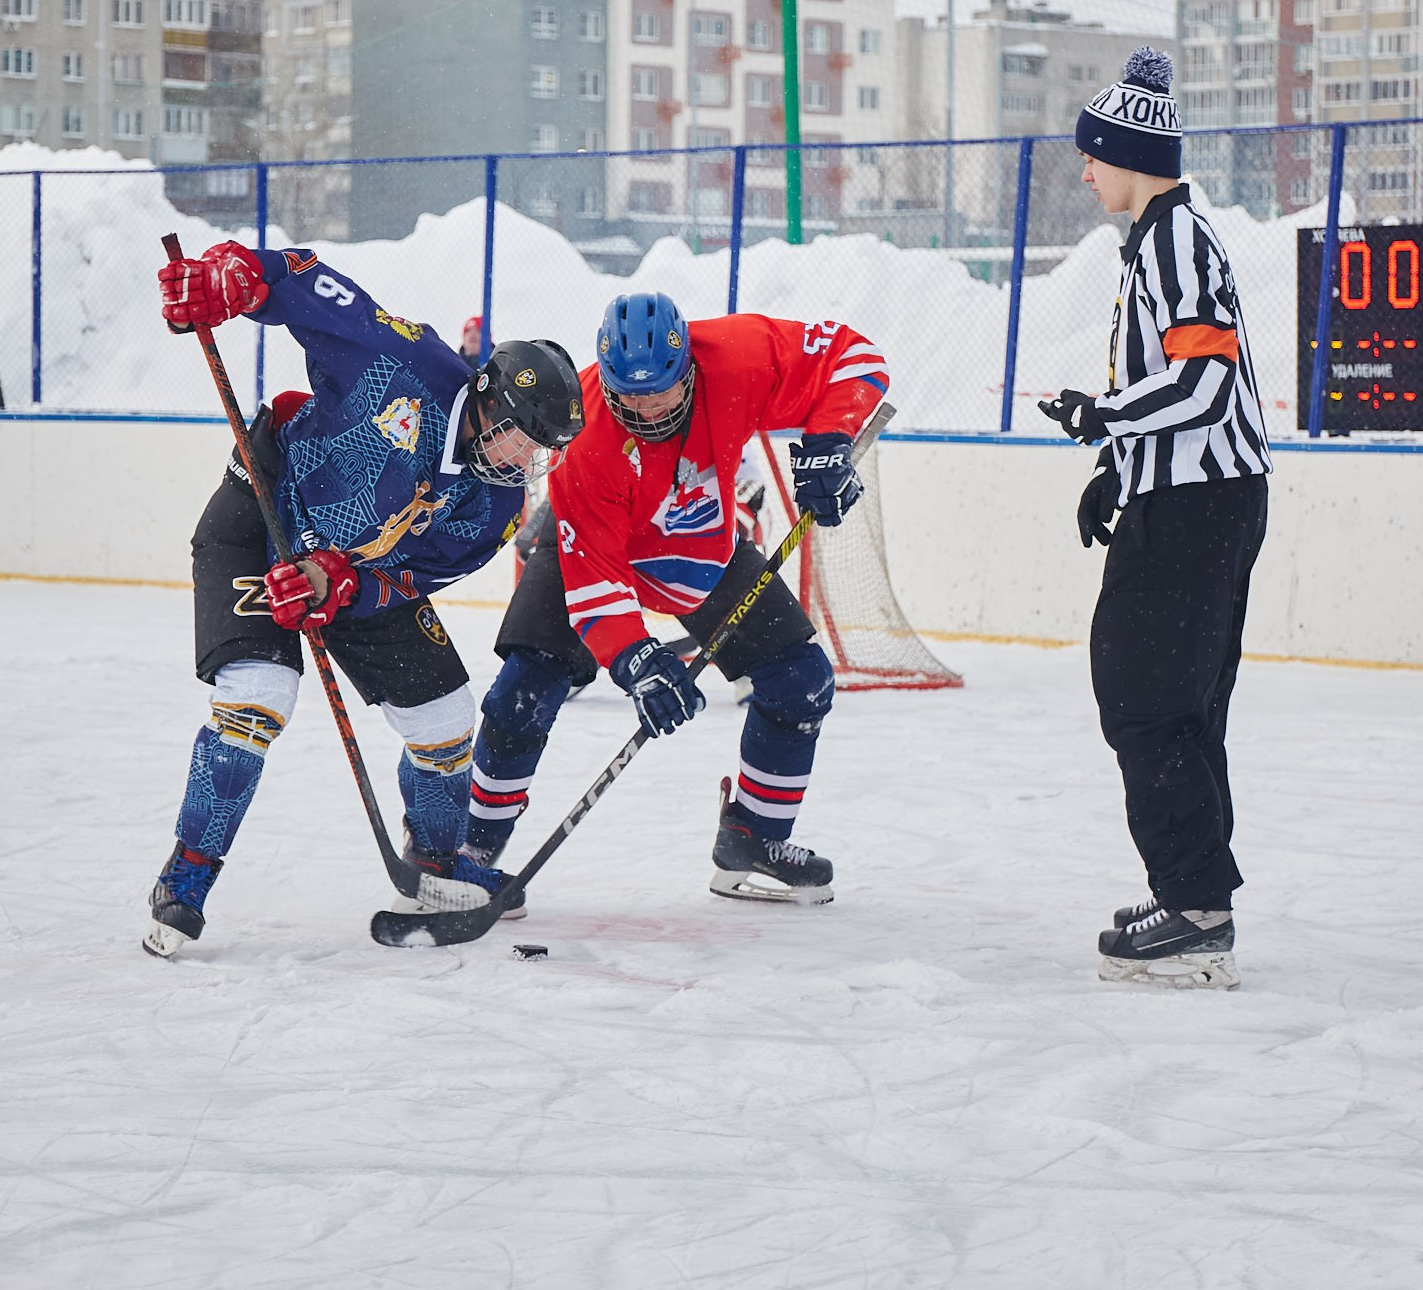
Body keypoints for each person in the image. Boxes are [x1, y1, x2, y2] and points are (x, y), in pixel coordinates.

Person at [143, 240, 585, 958]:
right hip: (262, 514)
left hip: (347, 573)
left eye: (541, 451)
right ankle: (186, 875)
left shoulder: (495, 506)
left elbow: (414, 577)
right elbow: (303, 281)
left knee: (445, 724)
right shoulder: (401, 366)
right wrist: (235, 276)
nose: (526, 463)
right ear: (489, 402)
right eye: (522, 442)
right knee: (258, 702)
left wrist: (340, 581)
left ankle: (434, 861)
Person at [464, 292, 887, 907]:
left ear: (689, 363)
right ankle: (470, 854)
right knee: (521, 694)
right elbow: (596, 583)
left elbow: (855, 357)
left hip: (695, 545)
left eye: (660, 389)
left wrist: (830, 440)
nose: (644, 407)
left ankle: (754, 837)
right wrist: (636, 661)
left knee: (801, 681)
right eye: (626, 393)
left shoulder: (737, 355)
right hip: (594, 549)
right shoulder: (581, 431)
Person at [1041, 46, 1271, 990]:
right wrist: (1116, 462)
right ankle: (1195, 895)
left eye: (1093, 153)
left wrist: (1108, 418)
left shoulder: (1176, 238)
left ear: (1130, 153)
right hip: (1187, 496)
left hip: (1199, 505)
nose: (1085, 169)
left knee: (1144, 695)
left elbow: (1202, 380)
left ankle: (1195, 911)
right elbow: (1173, 377)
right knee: (1171, 699)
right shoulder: (1159, 237)